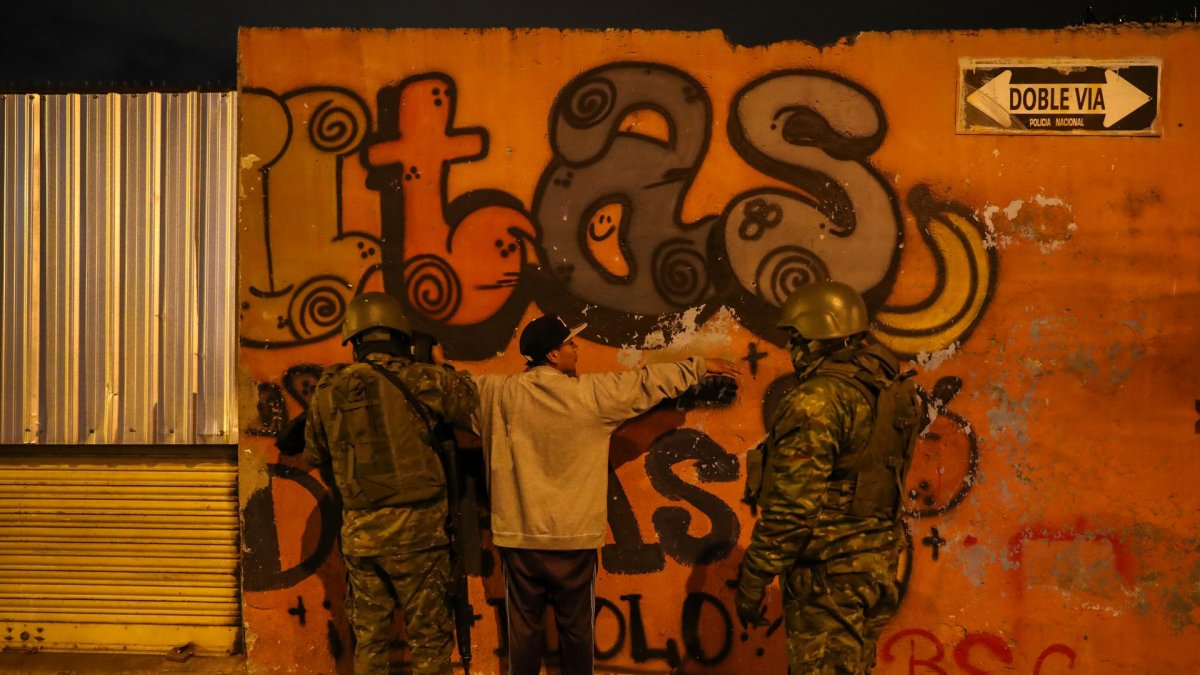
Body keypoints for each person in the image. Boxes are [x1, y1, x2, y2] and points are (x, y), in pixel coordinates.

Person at [472, 314, 741, 675]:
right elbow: (645, 383)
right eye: (569, 343)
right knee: (577, 633)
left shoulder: (496, 395)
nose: (576, 348)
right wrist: (699, 366)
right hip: (574, 543)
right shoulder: (591, 396)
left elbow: (448, 391)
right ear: (553, 355)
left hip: (519, 542)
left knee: (523, 634)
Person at [736, 281, 923, 674]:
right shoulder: (889, 389)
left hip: (829, 575)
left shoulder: (819, 400)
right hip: (874, 565)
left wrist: (754, 576)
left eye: (796, 338)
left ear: (817, 337)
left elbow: (792, 509)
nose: (792, 349)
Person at [304, 292, 479, 675]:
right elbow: (467, 402)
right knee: (430, 644)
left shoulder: (328, 388)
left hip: (362, 537)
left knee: (370, 642)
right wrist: (440, 364)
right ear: (400, 334)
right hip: (422, 537)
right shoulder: (422, 378)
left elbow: (314, 454)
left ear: (354, 341)